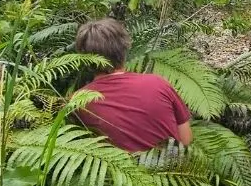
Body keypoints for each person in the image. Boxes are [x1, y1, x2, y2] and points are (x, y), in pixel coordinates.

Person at [72, 18, 192, 152]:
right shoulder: (158, 83)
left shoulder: (77, 101)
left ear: (84, 58)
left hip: (117, 171)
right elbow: (185, 139)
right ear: (124, 49)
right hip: (176, 169)